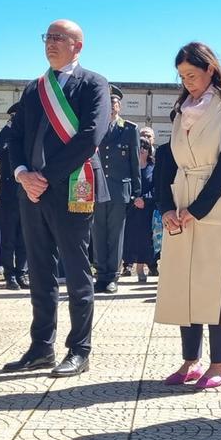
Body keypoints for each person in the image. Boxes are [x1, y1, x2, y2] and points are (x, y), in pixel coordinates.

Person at [1, 19, 111, 378]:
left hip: (72, 186)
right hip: (32, 190)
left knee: (77, 270)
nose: (50, 44)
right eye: (47, 37)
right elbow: (13, 136)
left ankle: (80, 349)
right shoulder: (35, 89)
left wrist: (45, 176)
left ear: (77, 45)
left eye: (58, 38)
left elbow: (90, 135)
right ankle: (41, 347)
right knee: (39, 269)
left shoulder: (94, 84)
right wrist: (22, 174)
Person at [154, 42, 221, 390]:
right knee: (183, 280)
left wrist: (197, 209)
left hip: (217, 198)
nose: (188, 82)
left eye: (192, 75)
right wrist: (166, 205)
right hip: (181, 194)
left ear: (210, 69)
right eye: (182, 77)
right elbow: (167, 159)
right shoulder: (181, 110)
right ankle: (189, 360)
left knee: (216, 279)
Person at [92, 85, 139, 293]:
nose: (111, 107)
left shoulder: (129, 129)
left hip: (120, 190)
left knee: (116, 234)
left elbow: (135, 162)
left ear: (119, 106)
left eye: (114, 104)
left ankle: (112, 276)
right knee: (98, 233)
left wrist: (136, 191)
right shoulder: (94, 128)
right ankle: (100, 275)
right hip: (97, 189)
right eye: (107, 104)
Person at [0, 104, 30, 291]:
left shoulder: (29, 135)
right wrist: (10, 125)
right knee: (8, 238)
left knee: (24, 237)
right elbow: (0, 147)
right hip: (8, 194)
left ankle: (22, 272)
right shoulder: (5, 135)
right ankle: (9, 275)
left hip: (26, 192)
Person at [123, 137, 156, 283]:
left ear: (149, 150)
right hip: (131, 210)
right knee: (130, 239)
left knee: (145, 240)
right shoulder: (128, 167)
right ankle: (127, 265)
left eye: (145, 147)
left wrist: (145, 200)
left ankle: (141, 269)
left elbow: (157, 187)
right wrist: (133, 199)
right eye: (140, 147)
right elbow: (124, 185)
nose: (142, 149)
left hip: (147, 210)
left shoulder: (154, 167)